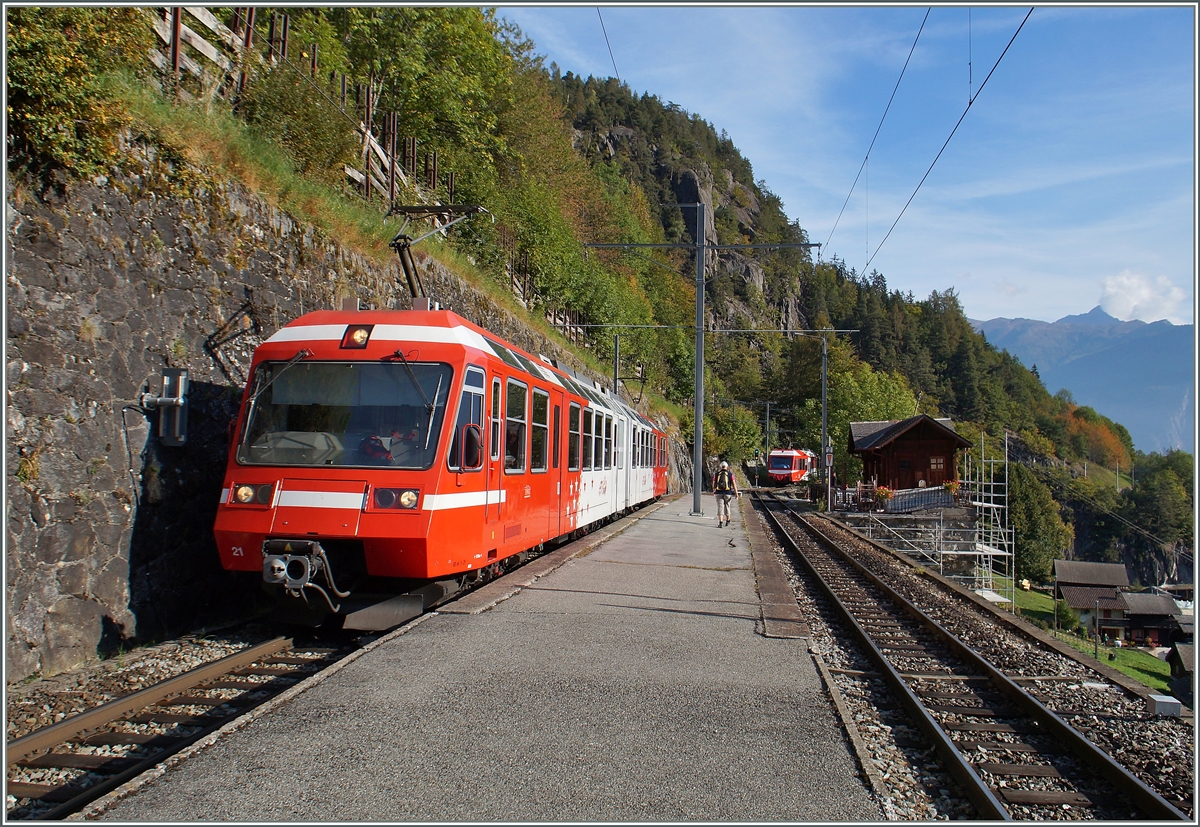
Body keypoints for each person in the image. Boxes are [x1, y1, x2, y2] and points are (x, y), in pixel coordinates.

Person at [713, 460, 739, 528]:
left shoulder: (716, 474)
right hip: (728, 493)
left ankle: (720, 522)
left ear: (720, 467)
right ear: (727, 467)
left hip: (718, 493)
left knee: (720, 507)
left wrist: (714, 490)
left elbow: (713, 484)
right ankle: (728, 520)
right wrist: (736, 494)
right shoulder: (730, 474)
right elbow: (734, 484)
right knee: (727, 506)